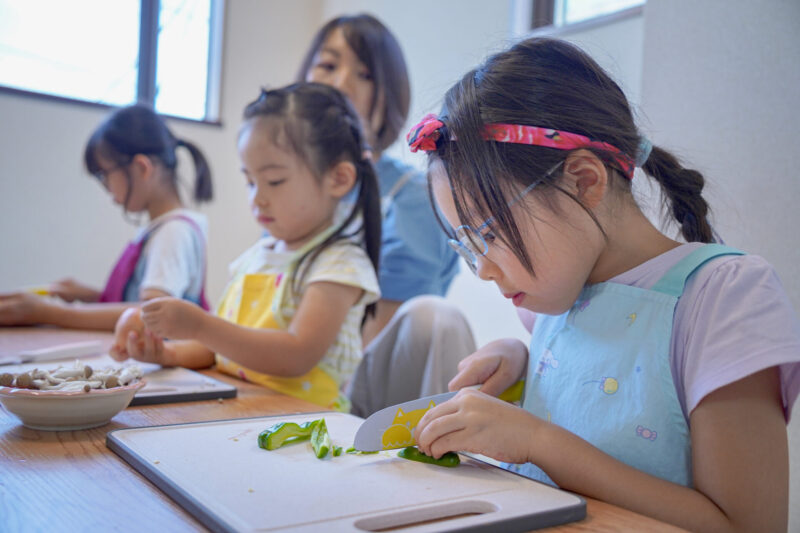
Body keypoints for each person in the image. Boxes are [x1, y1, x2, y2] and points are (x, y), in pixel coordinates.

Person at [407, 37, 800, 531]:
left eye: (489, 233)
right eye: (466, 245)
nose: (483, 269)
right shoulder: (549, 304)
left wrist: (539, 442)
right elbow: (598, 388)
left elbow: (746, 525)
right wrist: (523, 365)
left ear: (585, 181)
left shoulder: (724, 297)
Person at [111, 83, 382, 411]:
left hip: (304, 424)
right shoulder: (255, 257)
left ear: (338, 179)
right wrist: (166, 354)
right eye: (250, 182)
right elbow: (219, 348)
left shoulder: (341, 264)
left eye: (274, 181)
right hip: (239, 405)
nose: (257, 198)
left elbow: (296, 354)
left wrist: (199, 324)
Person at [299, 13, 475, 416]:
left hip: (356, 386)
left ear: (390, 95)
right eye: (327, 65)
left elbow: (378, 335)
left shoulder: (409, 196)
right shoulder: (291, 189)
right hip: (288, 372)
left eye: (364, 74)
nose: (341, 84)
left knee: (434, 318)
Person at [0, 104, 212, 330]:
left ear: (142, 168)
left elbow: (150, 316)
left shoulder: (173, 233)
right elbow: (138, 302)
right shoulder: (164, 228)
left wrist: (48, 312)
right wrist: (89, 295)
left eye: (104, 175)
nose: (106, 188)